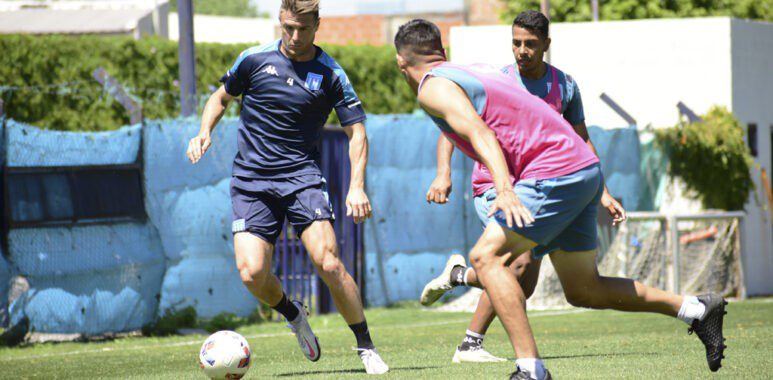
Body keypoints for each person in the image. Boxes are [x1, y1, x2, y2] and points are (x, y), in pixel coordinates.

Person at [394, 19, 726, 380]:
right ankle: (695, 309)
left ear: (400, 62)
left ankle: (530, 368)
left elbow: (479, 130)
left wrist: (504, 190)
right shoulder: (472, 70)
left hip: (553, 171)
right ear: (442, 52)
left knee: (486, 257)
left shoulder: (431, 86)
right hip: (582, 169)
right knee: (584, 290)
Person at [186, 0, 388, 374]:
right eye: (288, 28)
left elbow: (356, 131)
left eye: (303, 29)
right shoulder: (253, 60)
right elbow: (220, 98)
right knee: (251, 273)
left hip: (301, 178)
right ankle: (293, 313)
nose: (295, 37)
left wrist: (356, 186)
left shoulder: (330, 74)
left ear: (317, 25)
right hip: (251, 181)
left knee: (327, 261)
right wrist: (204, 132)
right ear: (280, 21)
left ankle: (365, 345)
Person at [421, 10, 626, 363]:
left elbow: (581, 140)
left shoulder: (565, 86)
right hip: (496, 187)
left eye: (530, 44)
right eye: (516, 43)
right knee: (517, 262)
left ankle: (461, 292)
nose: (522, 50)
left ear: (546, 44)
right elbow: (455, 128)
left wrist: (602, 191)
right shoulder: (498, 80)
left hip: (539, 187)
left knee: (523, 281)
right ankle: (494, 350)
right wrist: (444, 174)